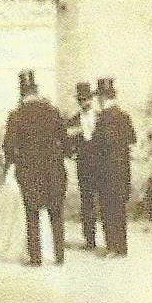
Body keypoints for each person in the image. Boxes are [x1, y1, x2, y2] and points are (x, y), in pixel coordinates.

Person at [2, 70, 69, 267]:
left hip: (29, 172)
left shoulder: (16, 115)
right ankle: (59, 256)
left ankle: (36, 257)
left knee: (32, 214)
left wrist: (14, 162)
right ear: (36, 90)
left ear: (22, 92)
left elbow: (8, 146)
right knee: (56, 213)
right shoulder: (53, 111)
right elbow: (65, 142)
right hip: (54, 170)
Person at [93, 77, 136, 257]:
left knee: (107, 209)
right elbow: (133, 140)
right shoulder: (124, 116)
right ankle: (122, 247)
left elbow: (98, 145)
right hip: (123, 170)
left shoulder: (103, 118)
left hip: (106, 171)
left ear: (102, 98)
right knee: (120, 209)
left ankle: (112, 246)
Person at [66, 82, 101, 250]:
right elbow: (67, 143)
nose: (84, 102)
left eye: (86, 99)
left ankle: (110, 239)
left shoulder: (101, 117)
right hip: (84, 166)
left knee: (104, 200)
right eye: (81, 100)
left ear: (91, 99)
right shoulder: (73, 121)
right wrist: (72, 153)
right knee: (87, 202)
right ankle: (90, 239)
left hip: (101, 165)